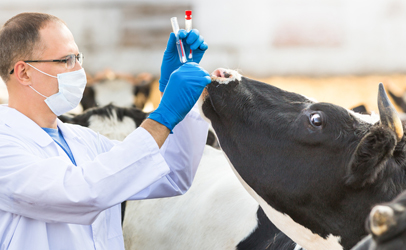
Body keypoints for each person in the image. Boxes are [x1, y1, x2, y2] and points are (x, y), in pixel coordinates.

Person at [0, 12, 211, 250]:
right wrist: (163, 116)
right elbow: (82, 193)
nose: (80, 70)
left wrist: (175, 100)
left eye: (78, 57)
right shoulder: (5, 145)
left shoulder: (84, 140)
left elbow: (171, 175)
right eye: (66, 60)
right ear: (24, 73)